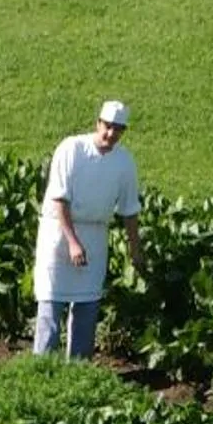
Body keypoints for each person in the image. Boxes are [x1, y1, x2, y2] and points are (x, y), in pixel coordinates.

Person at [31, 100, 148, 361]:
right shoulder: (71, 149)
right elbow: (59, 199)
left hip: (95, 234)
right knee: (52, 302)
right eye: (107, 127)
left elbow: (129, 209)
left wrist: (135, 249)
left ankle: (79, 366)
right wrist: (72, 242)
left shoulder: (124, 162)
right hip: (59, 232)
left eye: (118, 129)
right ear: (98, 124)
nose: (111, 134)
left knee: (87, 303)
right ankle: (41, 366)